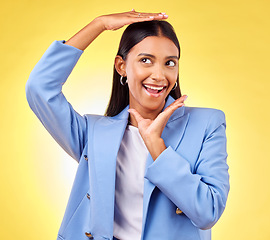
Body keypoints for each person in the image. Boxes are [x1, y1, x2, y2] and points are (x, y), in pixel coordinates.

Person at [26, 10, 230, 240]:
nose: (159, 75)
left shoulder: (206, 124)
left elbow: (208, 212)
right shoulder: (94, 134)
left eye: (169, 63)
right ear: (121, 66)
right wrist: (99, 24)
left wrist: (157, 147)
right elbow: (40, 88)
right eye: (146, 60)